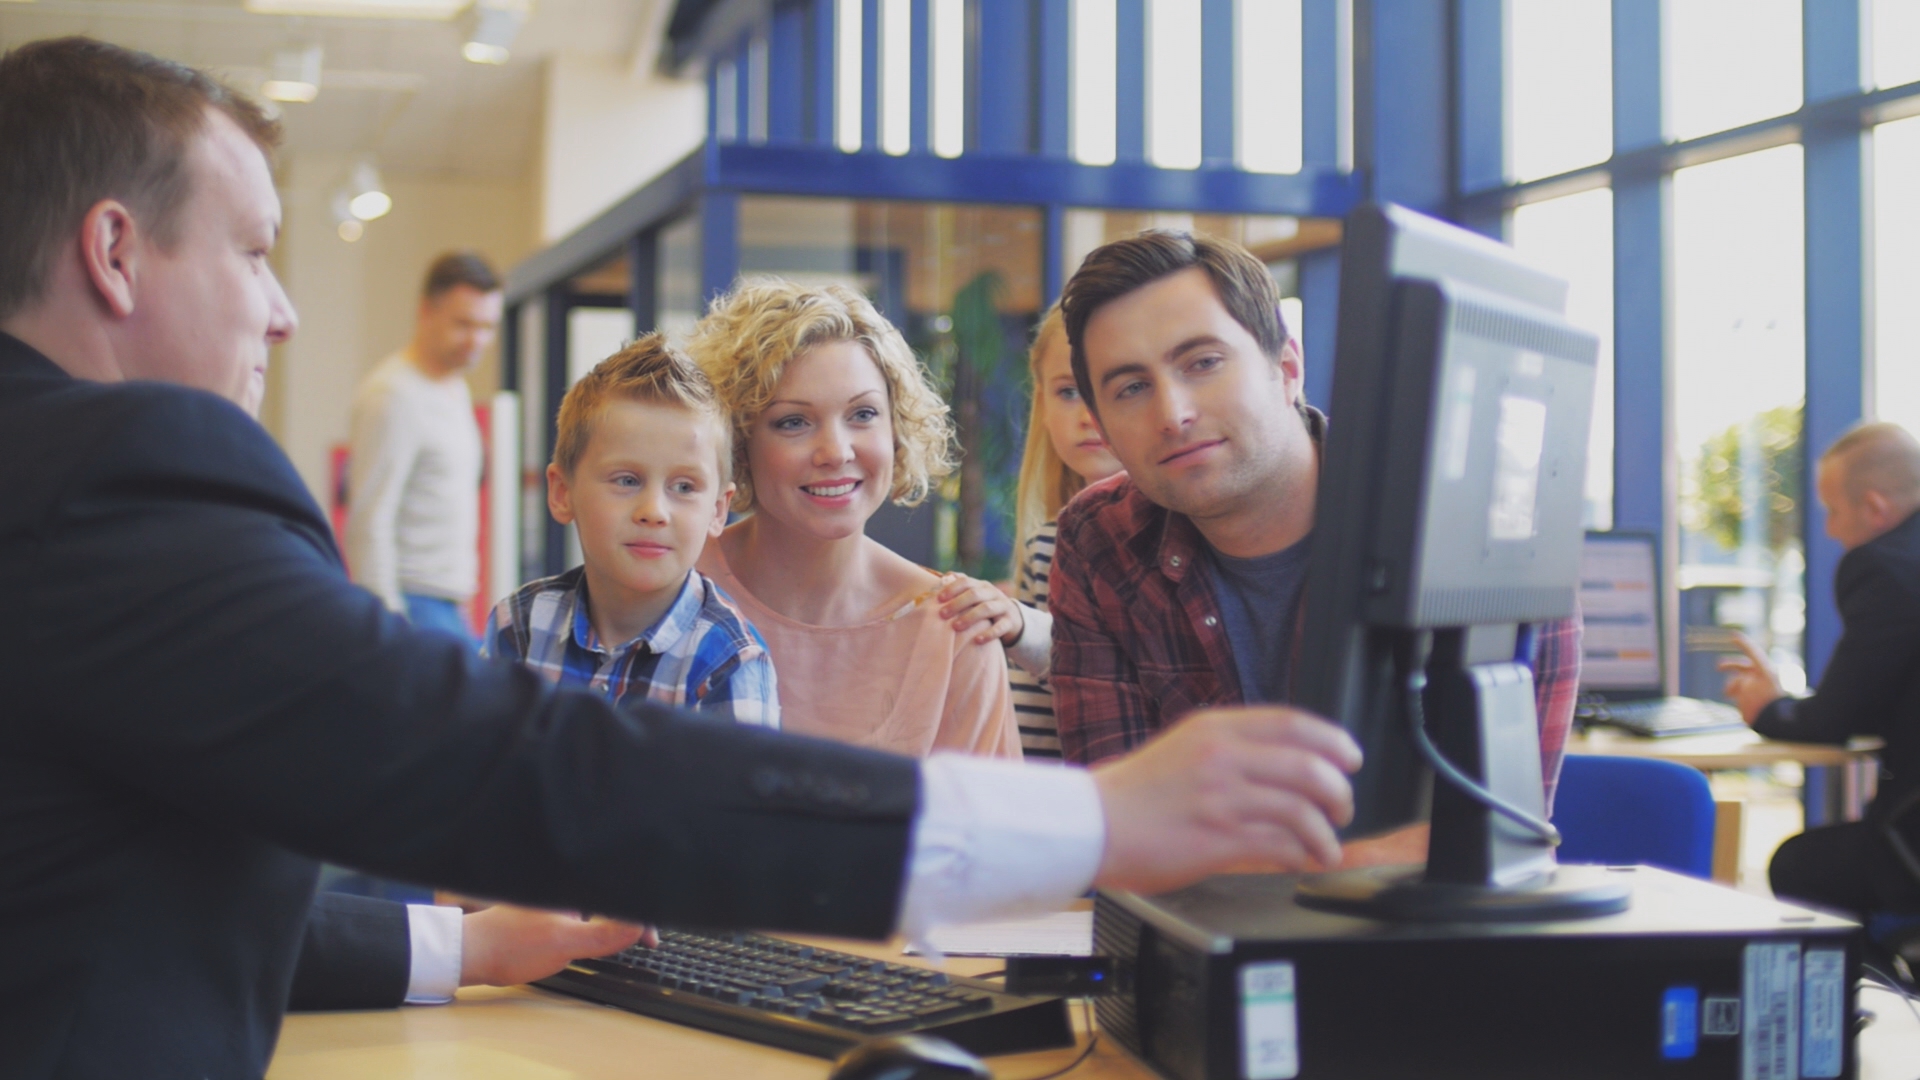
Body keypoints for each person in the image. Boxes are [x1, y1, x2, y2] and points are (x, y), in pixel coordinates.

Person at [0, 39, 1365, 1077]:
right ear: (116, 252)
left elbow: (116, 888)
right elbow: (504, 760)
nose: (285, 310)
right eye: (252, 251)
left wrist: (465, 947)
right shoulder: (111, 477)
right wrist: (1100, 820)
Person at [1046, 230, 1583, 857]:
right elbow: (1125, 837)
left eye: (1203, 362)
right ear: (1104, 424)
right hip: (1208, 942)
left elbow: (1489, 838)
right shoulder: (1099, 540)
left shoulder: (1479, 533)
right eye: (1131, 388)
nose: (1173, 413)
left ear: (1287, 369)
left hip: (1422, 945)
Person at [687, 280, 1021, 758]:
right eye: (793, 422)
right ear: (737, 439)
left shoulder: (956, 632)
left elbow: (986, 830)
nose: (836, 452)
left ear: (898, 428)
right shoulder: (674, 587)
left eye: (862, 414)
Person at [483, 335, 778, 726]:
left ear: (718, 510)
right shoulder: (518, 625)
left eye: (684, 487)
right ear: (562, 493)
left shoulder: (729, 662)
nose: (654, 511)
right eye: (626, 480)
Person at [1721, 421, 1920, 920]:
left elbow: (1833, 721)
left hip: (1911, 844)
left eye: (1833, 512)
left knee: (1797, 864)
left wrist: (1768, 708)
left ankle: (1871, 993)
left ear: (1874, 508)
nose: (1830, 531)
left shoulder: (1886, 566)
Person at [346, 251, 503, 642]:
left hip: (452, 604)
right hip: (412, 606)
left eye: (487, 327)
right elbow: (370, 516)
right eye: (464, 324)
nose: (476, 341)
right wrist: (388, 626)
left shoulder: (455, 388)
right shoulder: (393, 394)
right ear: (426, 312)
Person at [1002, 304, 1125, 759]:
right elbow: (1031, 723)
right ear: (1042, 402)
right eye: (1069, 391)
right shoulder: (1046, 542)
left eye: (1118, 388)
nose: (1089, 415)